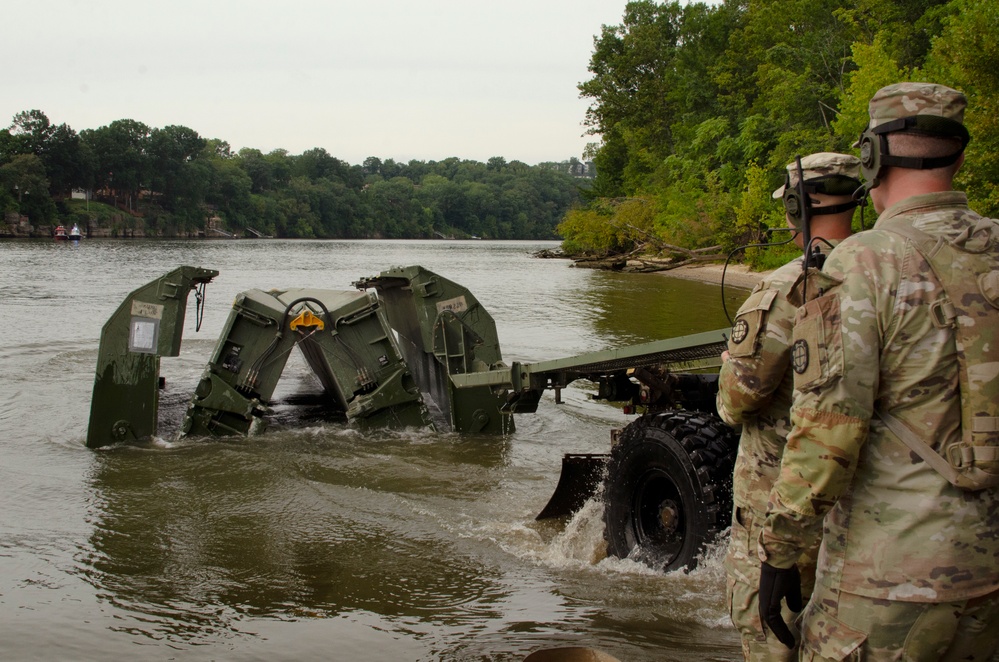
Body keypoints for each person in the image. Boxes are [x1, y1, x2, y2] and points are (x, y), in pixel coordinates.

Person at [758, 82, 999, 660]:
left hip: (891, 578)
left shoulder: (864, 261)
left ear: (872, 156)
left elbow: (829, 426)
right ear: (961, 155)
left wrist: (780, 549)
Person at [717, 152, 862, 661]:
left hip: (780, 507)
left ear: (797, 208)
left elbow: (736, 402)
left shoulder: (785, 287)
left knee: (770, 637)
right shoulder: (889, 275)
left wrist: (727, 366)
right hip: (864, 515)